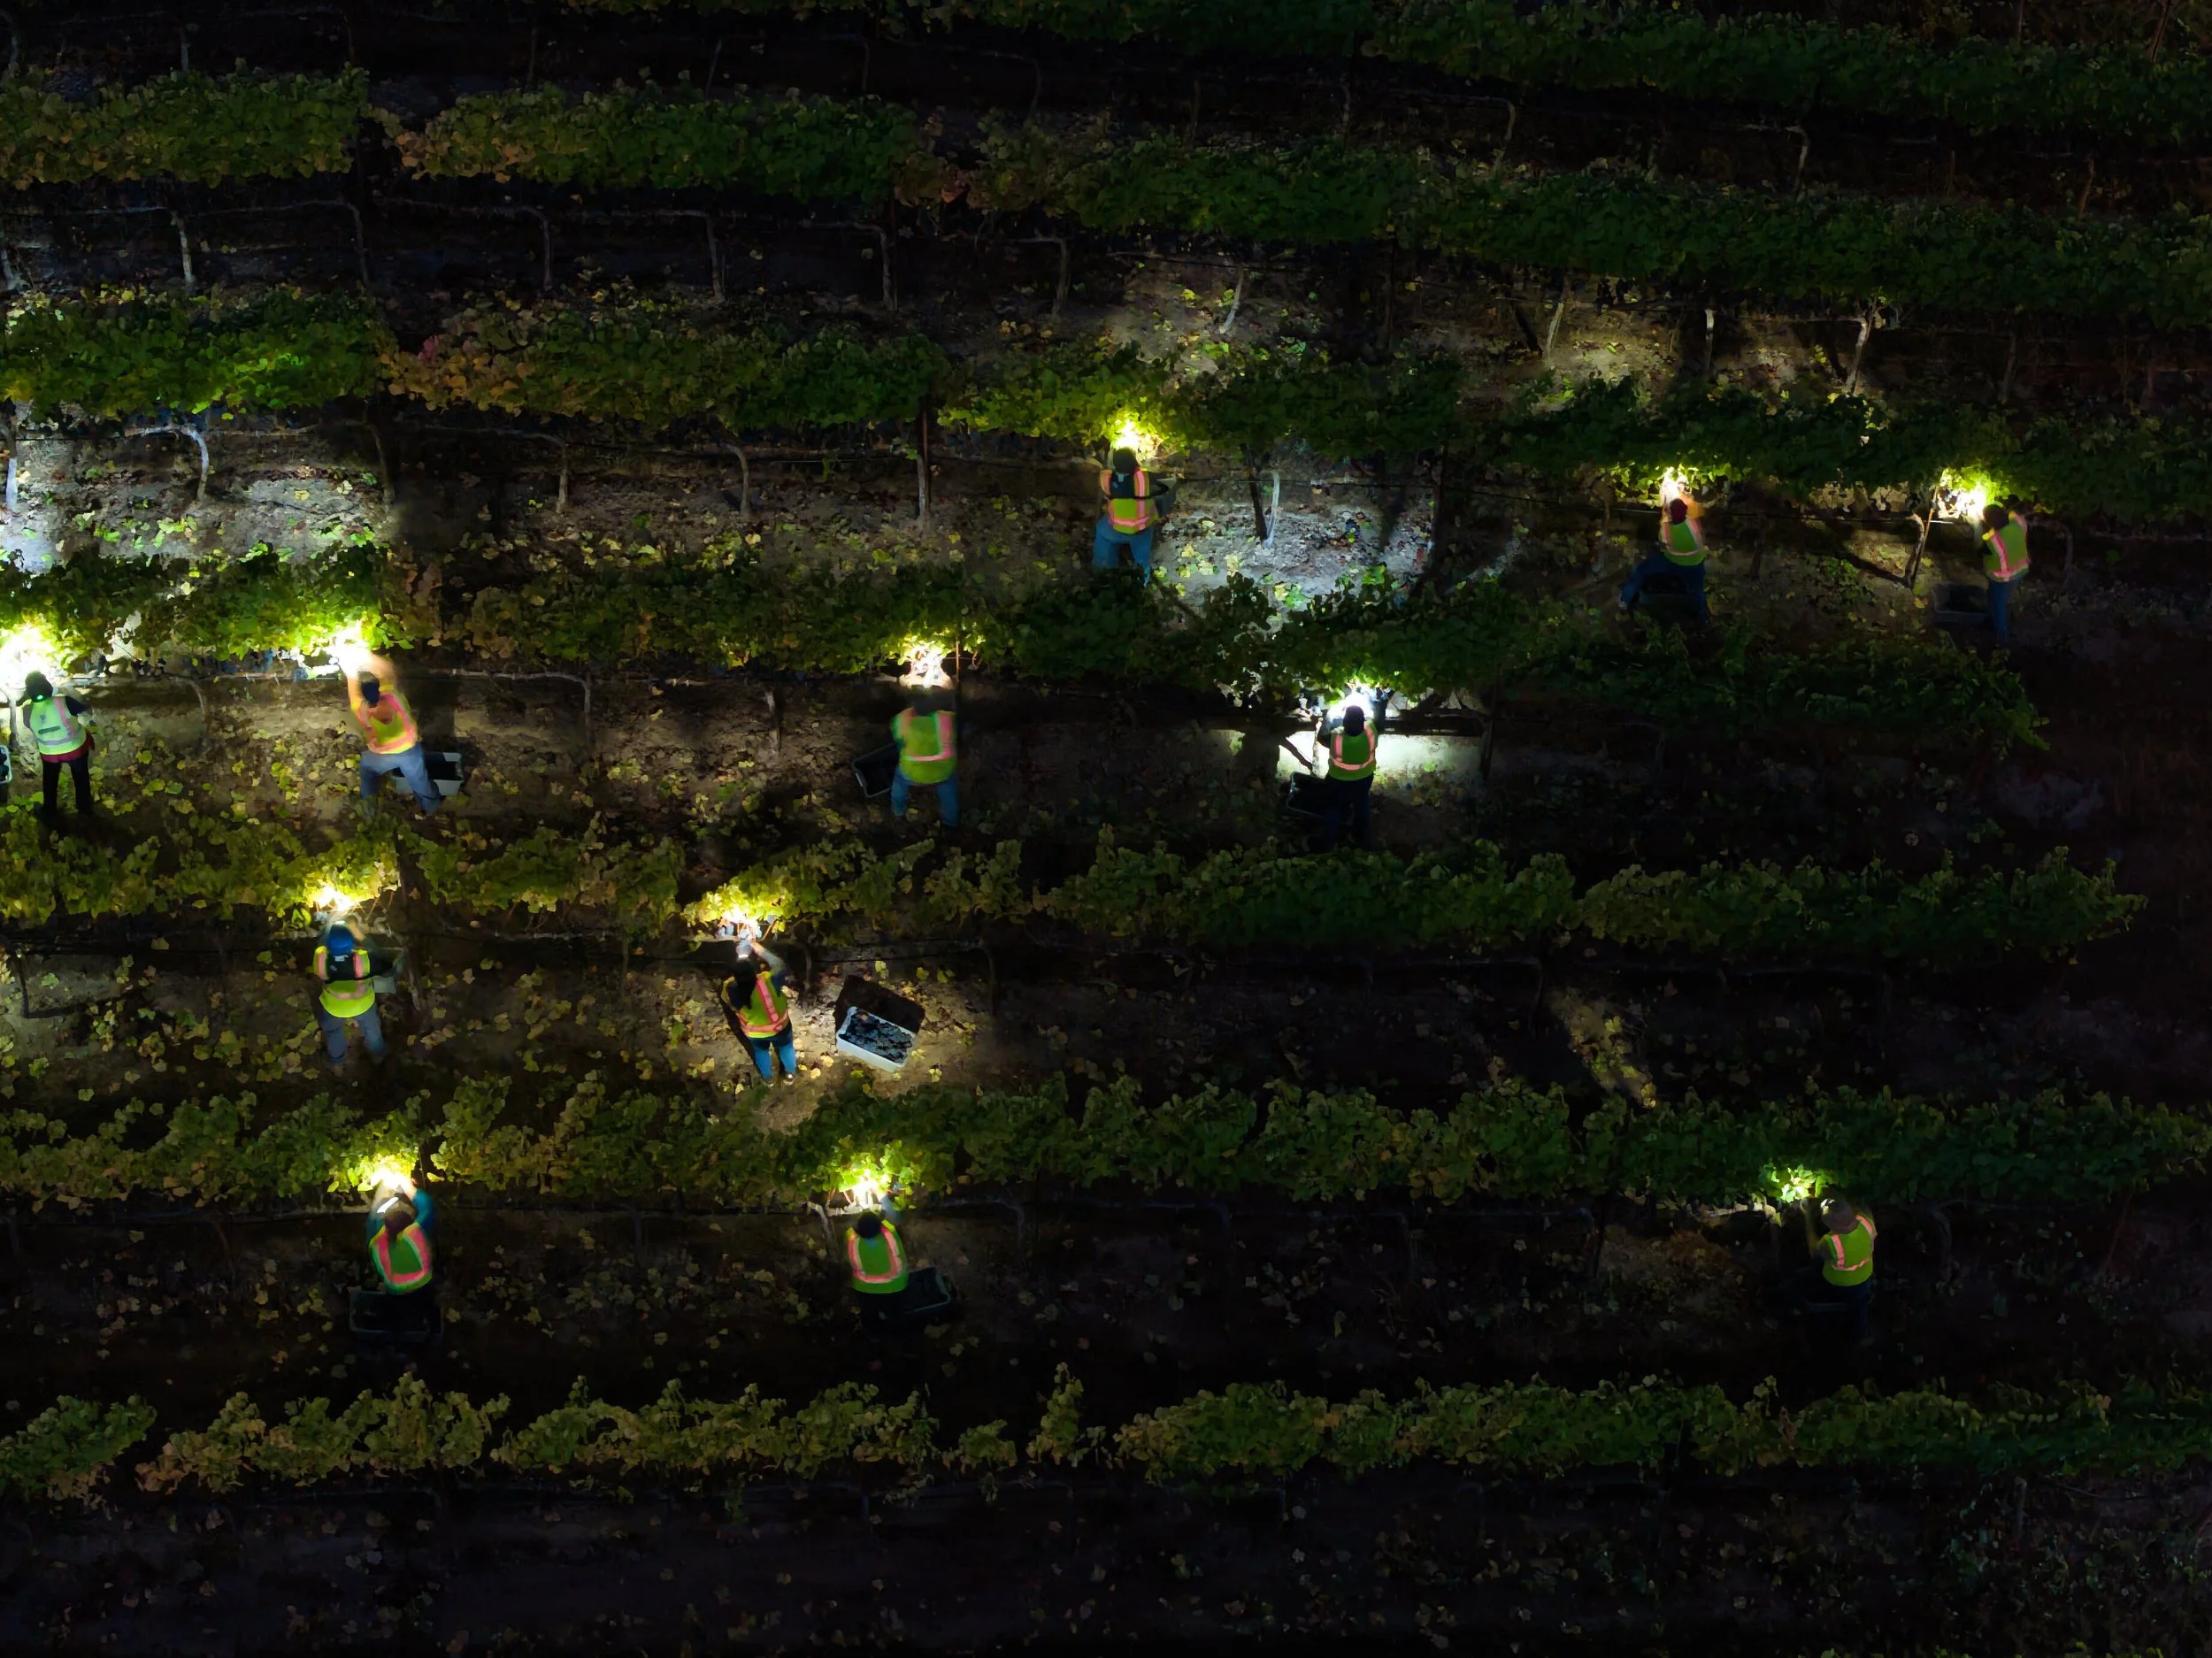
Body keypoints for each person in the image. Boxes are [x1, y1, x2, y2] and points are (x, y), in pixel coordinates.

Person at [347, 649, 439, 815]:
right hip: (409, 750)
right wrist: (366, 655)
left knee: (368, 771)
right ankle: (430, 807)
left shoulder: (361, 709)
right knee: (419, 780)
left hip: (381, 756)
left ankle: (369, 811)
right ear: (379, 687)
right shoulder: (394, 697)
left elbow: (353, 690)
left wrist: (349, 667)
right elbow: (387, 671)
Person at [1785, 1194, 1876, 1346]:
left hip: (1838, 1283)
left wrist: (1807, 1217)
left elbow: (1814, 1251)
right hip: (1864, 1278)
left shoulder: (1832, 1242)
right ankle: (1860, 1336)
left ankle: (1797, 1309)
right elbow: (1864, 1210)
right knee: (1859, 1307)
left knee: (1797, 1280)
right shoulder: (1867, 1223)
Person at [1618, 488, 1710, 623]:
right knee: (1698, 591)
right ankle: (1703, 619)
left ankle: (1624, 600)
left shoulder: (1665, 528)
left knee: (1641, 570)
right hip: (1696, 563)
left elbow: (1662, 544)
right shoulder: (1692, 523)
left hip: (1673, 562)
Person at [719, 933, 798, 1083]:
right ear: (754, 971)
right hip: (780, 1027)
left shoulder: (730, 988)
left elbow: (730, 1000)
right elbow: (780, 964)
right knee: (786, 1048)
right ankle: (790, 1074)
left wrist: (741, 957)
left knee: (760, 1051)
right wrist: (757, 947)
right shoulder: (768, 980)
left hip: (754, 1032)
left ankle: (768, 1078)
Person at [19, 672, 94, 822]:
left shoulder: (27, 710)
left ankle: (49, 811)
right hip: (76, 749)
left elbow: (29, 725)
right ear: (48, 686)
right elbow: (84, 708)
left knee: (50, 781)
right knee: (81, 778)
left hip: (49, 754)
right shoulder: (64, 701)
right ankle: (84, 807)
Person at [314, 923, 388, 1071]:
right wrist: (357, 932)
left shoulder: (321, 958)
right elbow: (375, 951)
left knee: (333, 1032)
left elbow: (320, 945)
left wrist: (330, 926)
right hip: (362, 1004)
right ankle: (377, 1054)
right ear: (351, 944)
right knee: (371, 1028)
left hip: (334, 1006)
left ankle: (337, 1063)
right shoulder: (362, 958)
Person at [1093, 446, 1171, 580]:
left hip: (1116, 527)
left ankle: (1104, 572)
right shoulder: (1144, 478)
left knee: (1102, 532)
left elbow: (1105, 475)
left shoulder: (1106, 478)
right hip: (1141, 530)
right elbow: (1164, 483)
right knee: (1142, 559)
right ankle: (1141, 581)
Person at [1316, 701, 1378, 851]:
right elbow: (1375, 720)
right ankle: (1365, 841)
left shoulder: (1336, 737)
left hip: (1338, 781)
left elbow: (1321, 736)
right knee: (1362, 805)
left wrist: (1329, 715)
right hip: (1364, 779)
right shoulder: (1371, 731)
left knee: (1333, 809)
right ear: (1363, 722)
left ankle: (1327, 845)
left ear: (1344, 721)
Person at [891, 696, 957, 827]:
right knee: (949, 788)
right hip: (943, 772)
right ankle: (950, 822)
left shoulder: (902, 719)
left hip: (912, 774)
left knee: (899, 782)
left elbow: (899, 742)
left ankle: (898, 811)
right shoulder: (948, 718)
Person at [365, 1174, 435, 1295]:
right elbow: (427, 1208)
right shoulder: (414, 1234)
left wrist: (384, 1189)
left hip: (394, 1288)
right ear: (410, 1223)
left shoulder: (375, 1241)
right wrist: (408, 1187)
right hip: (422, 1284)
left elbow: (375, 1215)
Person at [1979, 503, 2031, 647]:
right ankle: (2001, 619)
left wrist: (1979, 527)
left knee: (1998, 605)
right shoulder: (2018, 522)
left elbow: (1979, 549)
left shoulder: (1992, 540)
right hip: (2021, 570)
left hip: (2001, 579)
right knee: (2001, 598)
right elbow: (2013, 512)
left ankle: (2001, 639)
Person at [844, 1204, 910, 1299]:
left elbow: (851, 1228)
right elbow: (888, 1220)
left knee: (870, 1313)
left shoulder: (851, 1238)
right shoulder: (890, 1232)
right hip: (895, 1286)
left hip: (864, 1288)